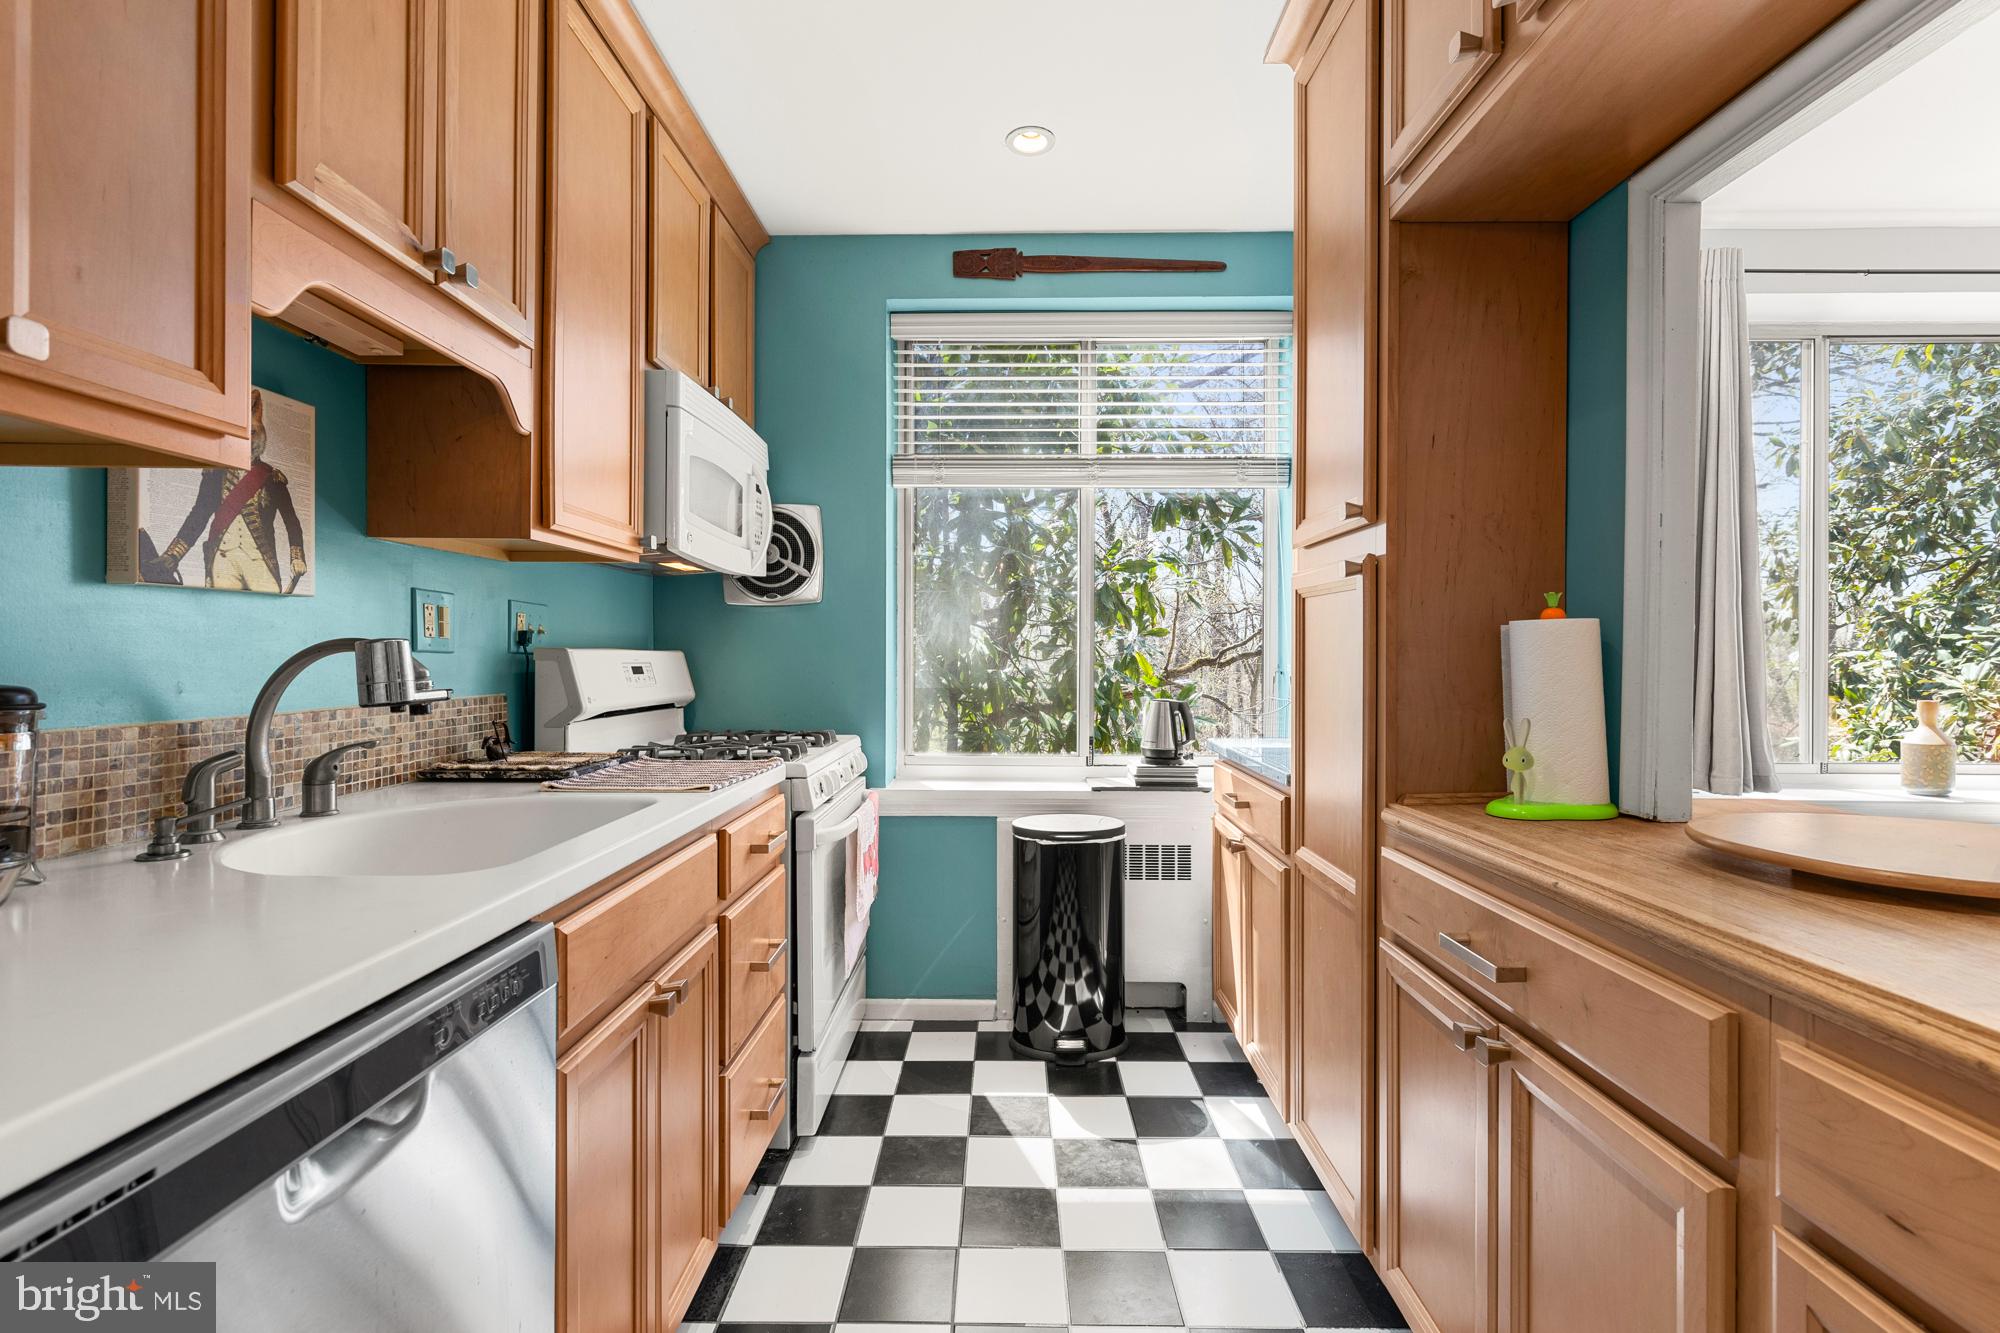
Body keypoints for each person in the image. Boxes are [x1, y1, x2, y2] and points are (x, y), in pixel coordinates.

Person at [143, 390, 308, 593]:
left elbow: (291, 521)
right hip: (222, 558)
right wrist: (174, 554)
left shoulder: (271, 477)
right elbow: (200, 514)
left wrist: (297, 557)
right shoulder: (215, 474)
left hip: (259, 560)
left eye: (251, 435)